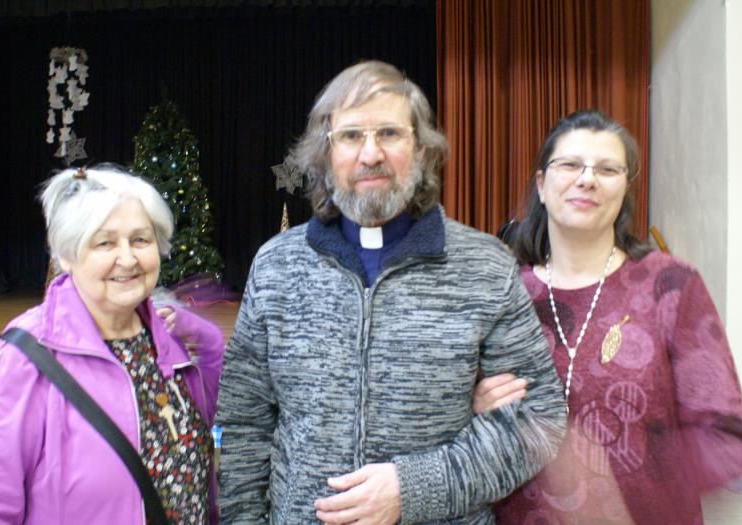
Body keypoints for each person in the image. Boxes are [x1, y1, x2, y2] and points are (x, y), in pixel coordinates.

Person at [216, 60, 567, 524]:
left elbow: (538, 417)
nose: (370, 154)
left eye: (389, 133)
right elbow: (244, 424)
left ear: (420, 149)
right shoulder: (276, 266)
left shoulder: (485, 267)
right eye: (350, 136)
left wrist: (413, 488)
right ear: (325, 154)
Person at [483, 109, 742, 524]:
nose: (587, 179)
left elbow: (723, 436)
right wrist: (475, 407)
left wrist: (633, 476)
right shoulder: (501, 292)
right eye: (570, 164)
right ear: (541, 183)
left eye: (607, 169)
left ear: (626, 188)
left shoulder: (671, 286)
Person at [0, 165, 224, 524]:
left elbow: (211, 409)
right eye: (104, 242)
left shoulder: (164, 342)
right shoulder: (21, 360)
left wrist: (202, 334)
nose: (127, 259)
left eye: (140, 239)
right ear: (66, 254)